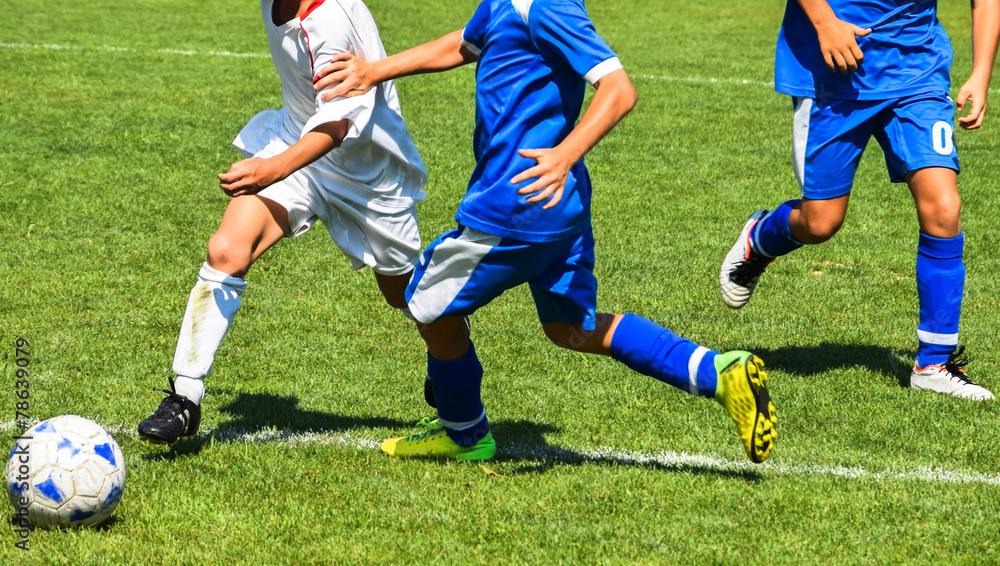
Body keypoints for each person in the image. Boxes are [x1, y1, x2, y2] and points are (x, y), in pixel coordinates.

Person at [314, 0, 778, 462]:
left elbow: (618, 89)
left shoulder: (547, 6)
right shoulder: (505, 3)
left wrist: (564, 154)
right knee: (572, 328)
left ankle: (464, 433)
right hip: (561, 209)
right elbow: (463, 43)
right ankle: (718, 372)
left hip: (518, 203)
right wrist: (376, 71)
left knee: (426, 307)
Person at [137, 0, 433, 444]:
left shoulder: (329, 18)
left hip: (366, 172)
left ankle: (447, 342)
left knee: (406, 296)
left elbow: (338, 122)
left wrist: (272, 170)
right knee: (226, 251)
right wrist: (278, 166)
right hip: (295, 142)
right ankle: (185, 397)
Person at [719, 0, 999, 400]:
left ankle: (934, 364)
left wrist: (981, 73)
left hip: (916, 70)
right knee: (820, 222)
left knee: (944, 208)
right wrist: (825, 21)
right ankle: (761, 239)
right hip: (833, 75)